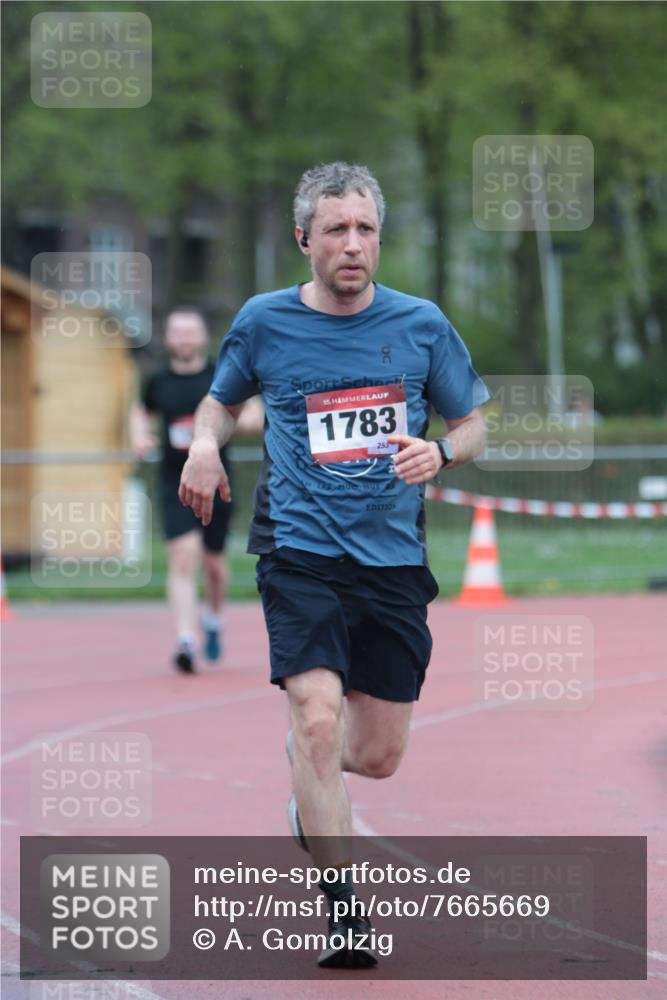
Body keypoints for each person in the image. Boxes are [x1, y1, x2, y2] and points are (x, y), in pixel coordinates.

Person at [179, 162, 489, 965]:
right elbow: (219, 396)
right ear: (303, 240)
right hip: (298, 551)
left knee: (375, 756)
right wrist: (206, 445)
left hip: (391, 561)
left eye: (365, 231)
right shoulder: (263, 320)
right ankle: (344, 912)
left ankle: (309, 774)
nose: (353, 245)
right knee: (317, 717)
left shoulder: (420, 323)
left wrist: (441, 450)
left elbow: (473, 423)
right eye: (336, 231)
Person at [130, 307, 262, 674]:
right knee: (183, 557)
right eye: (178, 332)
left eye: (191, 332)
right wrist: (140, 435)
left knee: (215, 565)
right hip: (175, 479)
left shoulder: (222, 374)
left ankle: (214, 621)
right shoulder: (157, 381)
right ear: (169, 339)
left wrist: (237, 424)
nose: (185, 338)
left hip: (217, 481)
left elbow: (252, 411)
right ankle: (185, 640)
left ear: (203, 337)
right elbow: (140, 411)